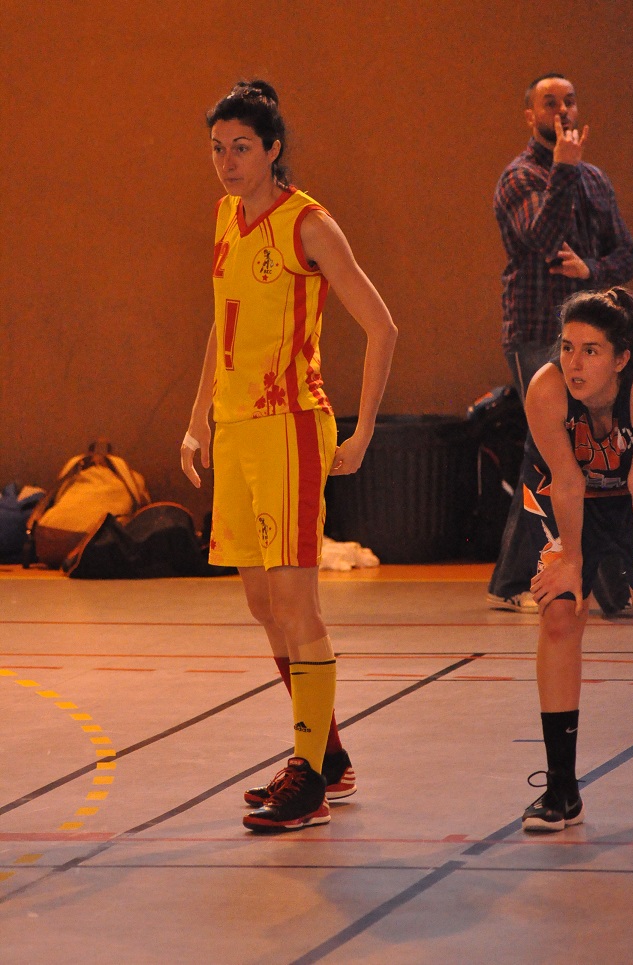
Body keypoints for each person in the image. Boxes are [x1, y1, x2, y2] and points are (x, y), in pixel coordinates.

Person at [181, 80, 397, 833]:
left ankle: (308, 775)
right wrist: (197, 420)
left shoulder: (308, 225)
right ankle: (327, 757)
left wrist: (361, 429)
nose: (227, 161)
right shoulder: (223, 218)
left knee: (298, 603)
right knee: (261, 603)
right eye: (217, 147)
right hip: (235, 425)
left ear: (273, 149)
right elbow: (219, 322)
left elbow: (382, 326)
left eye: (241, 147)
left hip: (289, 423)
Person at [487, 73, 633, 612]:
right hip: (538, 333)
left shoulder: (595, 179)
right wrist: (565, 168)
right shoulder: (520, 177)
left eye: (569, 100)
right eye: (549, 103)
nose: (562, 110)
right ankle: (516, 581)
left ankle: (611, 567)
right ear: (531, 116)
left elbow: (627, 255)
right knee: (544, 452)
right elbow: (544, 238)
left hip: (598, 332)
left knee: (606, 447)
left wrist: (592, 268)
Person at [521, 287, 633, 831]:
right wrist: (570, 560)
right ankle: (561, 788)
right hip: (568, 496)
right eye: (568, 347)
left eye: (591, 351)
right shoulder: (547, 390)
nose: (574, 362)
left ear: (621, 359)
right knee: (561, 613)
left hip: (632, 496)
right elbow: (567, 483)